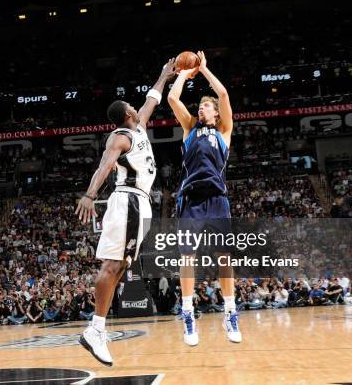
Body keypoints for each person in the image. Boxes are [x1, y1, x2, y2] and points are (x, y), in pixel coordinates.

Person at [76, 59, 176, 365]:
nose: (137, 106)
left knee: (120, 267)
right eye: (132, 106)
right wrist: (91, 195)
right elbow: (105, 165)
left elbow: (152, 99)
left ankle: (97, 328)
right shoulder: (121, 136)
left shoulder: (140, 126)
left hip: (140, 202)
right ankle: (96, 329)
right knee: (112, 266)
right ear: (127, 114)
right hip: (129, 200)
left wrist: (163, 75)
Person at [167, 51, 241, 346]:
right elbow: (173, 100)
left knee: (224, 257)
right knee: (187, 257)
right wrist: (185, 74)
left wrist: (205, 69)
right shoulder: (189, 129)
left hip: (217, 199)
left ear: (216, 114)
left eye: (206, 106)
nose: (202, 109)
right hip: (191, 200)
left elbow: (222, 92)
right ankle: (187, 314)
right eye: (200, 106)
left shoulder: (224, 131)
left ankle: (230, 311)